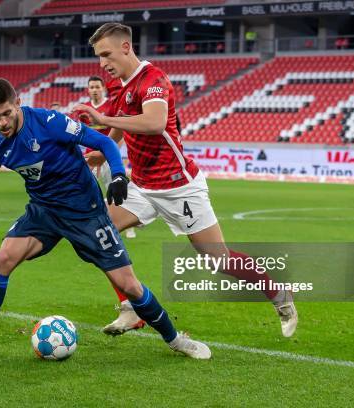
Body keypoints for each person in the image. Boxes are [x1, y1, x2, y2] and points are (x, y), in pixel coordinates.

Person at [0, 78, 210, 360]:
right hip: (44, 211)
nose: (1, 123)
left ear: (17, 104)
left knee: (129, 285)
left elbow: (101, 141)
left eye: (6, 114)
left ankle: (176, 340)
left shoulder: (49, 122)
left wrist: (119, 173)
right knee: (3, 258)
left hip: (86, 212)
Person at [75, 23, 298, 338]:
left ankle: (279, 294)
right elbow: (122, 128)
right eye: (98, 57)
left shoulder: (154, 79)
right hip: (142, 187)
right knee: (97, 234)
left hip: (179, 186)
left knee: (219, 259)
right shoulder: (123, 87)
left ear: (126, 47)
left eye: (106, 54)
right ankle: (130, 308)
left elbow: (153, 122)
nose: (102, 64)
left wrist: (102, 119)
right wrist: (102, 150)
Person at [73, 76, 136, 239]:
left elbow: (120, 131)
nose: (94, 90)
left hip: (108, 154)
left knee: (114, 187)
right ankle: (89, 221)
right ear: (88, 89)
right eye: (91, 87)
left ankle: (128, 224)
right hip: (89, 155)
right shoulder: (83, 109)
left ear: (103, 88)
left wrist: (113, 151)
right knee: (85, 187)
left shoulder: (111, 106)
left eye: (97, 87)